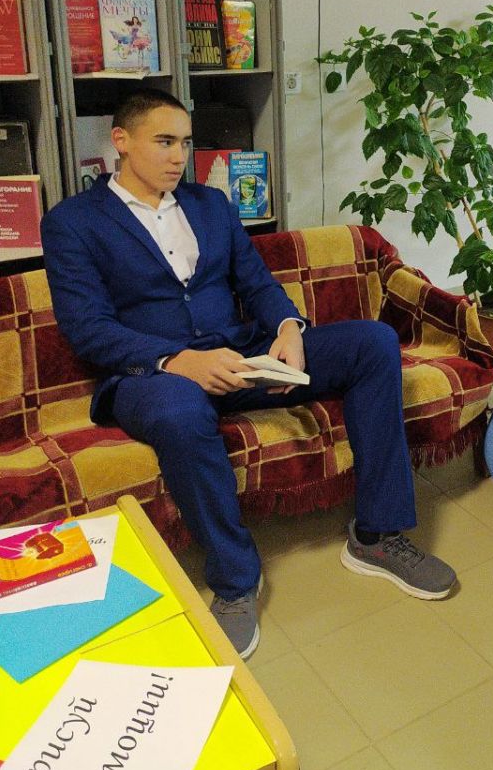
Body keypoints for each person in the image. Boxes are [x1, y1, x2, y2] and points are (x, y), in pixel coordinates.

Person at [40, 88, 456, 659]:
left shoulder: (211, 205)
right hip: (151, 377)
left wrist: (288, 328)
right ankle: (236, 581)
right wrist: (178, 361)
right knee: (180, 411)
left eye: (185, 143)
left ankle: (377, 535)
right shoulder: (72, 223)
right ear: (122, 141)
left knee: (373, 341)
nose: (178, 156)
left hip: (241, 357)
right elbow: (87, 328)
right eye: (164, 141)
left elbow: (257, 284)